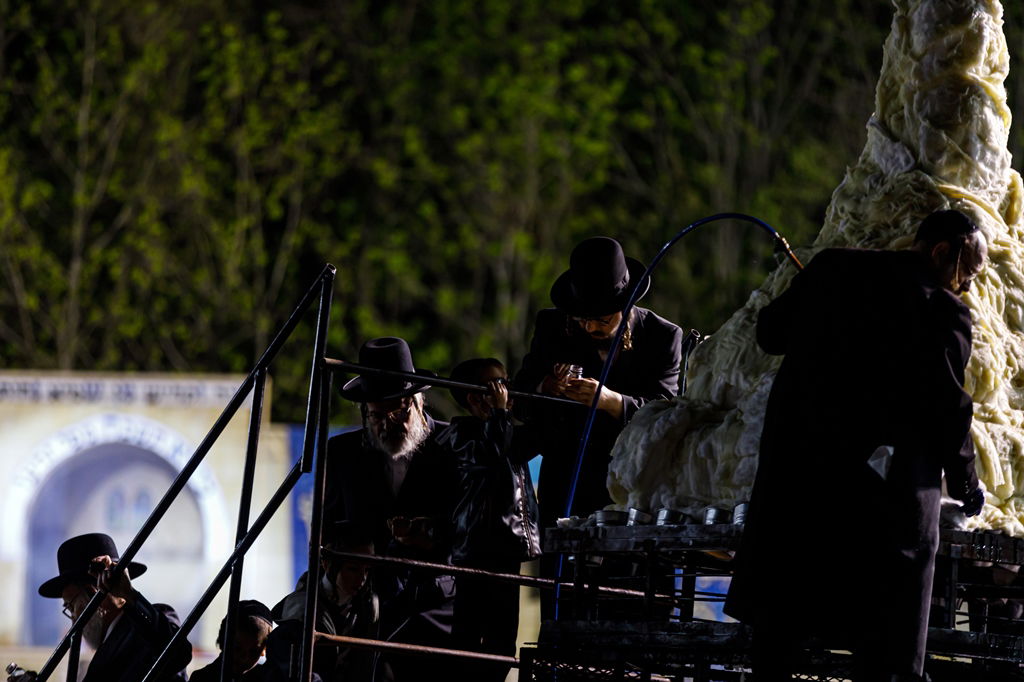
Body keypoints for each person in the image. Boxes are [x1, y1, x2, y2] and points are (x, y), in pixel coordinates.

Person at [725, 209, 988, 681]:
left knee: (779, 638)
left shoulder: (832, 267)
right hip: (881, 504)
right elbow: (950, 411)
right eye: (966, 271)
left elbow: (769, 333)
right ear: (940, 252)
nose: (967, 285)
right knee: (884, 651)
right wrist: (967, 484)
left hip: (800, 485)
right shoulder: (941, 310)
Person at [514, 236, 682, 617]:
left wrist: (610, 401)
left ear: (626, 307)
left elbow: (668, 415)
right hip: (566, 486)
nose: (590, 326)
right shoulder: (554, 327)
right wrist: (545, 387)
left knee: (626, 605)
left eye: (602, 319)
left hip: (632, 492)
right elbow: (520, 396)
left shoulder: (662, 337)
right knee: (562, 607)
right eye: (582, 319)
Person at [323, 336, 457, 681]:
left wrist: (428, 534)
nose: (388, 423)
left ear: (418, 402)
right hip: (366, 602)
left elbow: (469, 531)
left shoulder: (453, 446)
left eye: (398, 412)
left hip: (437, 603)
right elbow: (329, 530)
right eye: (376, 415)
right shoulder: (343, 453)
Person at [437, 358, 542, 681]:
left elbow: (538, 436)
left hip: (507, 549)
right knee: (469, 637)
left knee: (503, 641)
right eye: (497, 385)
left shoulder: (506, 429)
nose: (506, 391)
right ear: (475, 397)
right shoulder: (461, 435)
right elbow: (495, 453)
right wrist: (498, 413)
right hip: (478, 549)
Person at [9, 533, 192, 682]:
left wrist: (129, 594)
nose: (73, 619)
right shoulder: (105, 649)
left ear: (94, 594)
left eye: (71, 607)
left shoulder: (152, 622)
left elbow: (178, 653)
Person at [267, 522, 376, 682]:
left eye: (367, 570)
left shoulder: (368, 604)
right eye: (353, 569)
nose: (362, 578)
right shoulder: (302, 608)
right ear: (327, 563)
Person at [189, 600, 275, 682]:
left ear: (264, 650)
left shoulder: (267, 678)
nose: (244, 658)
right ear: (223, 642)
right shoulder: (202, 678)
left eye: (253, 652)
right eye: (237, 648)